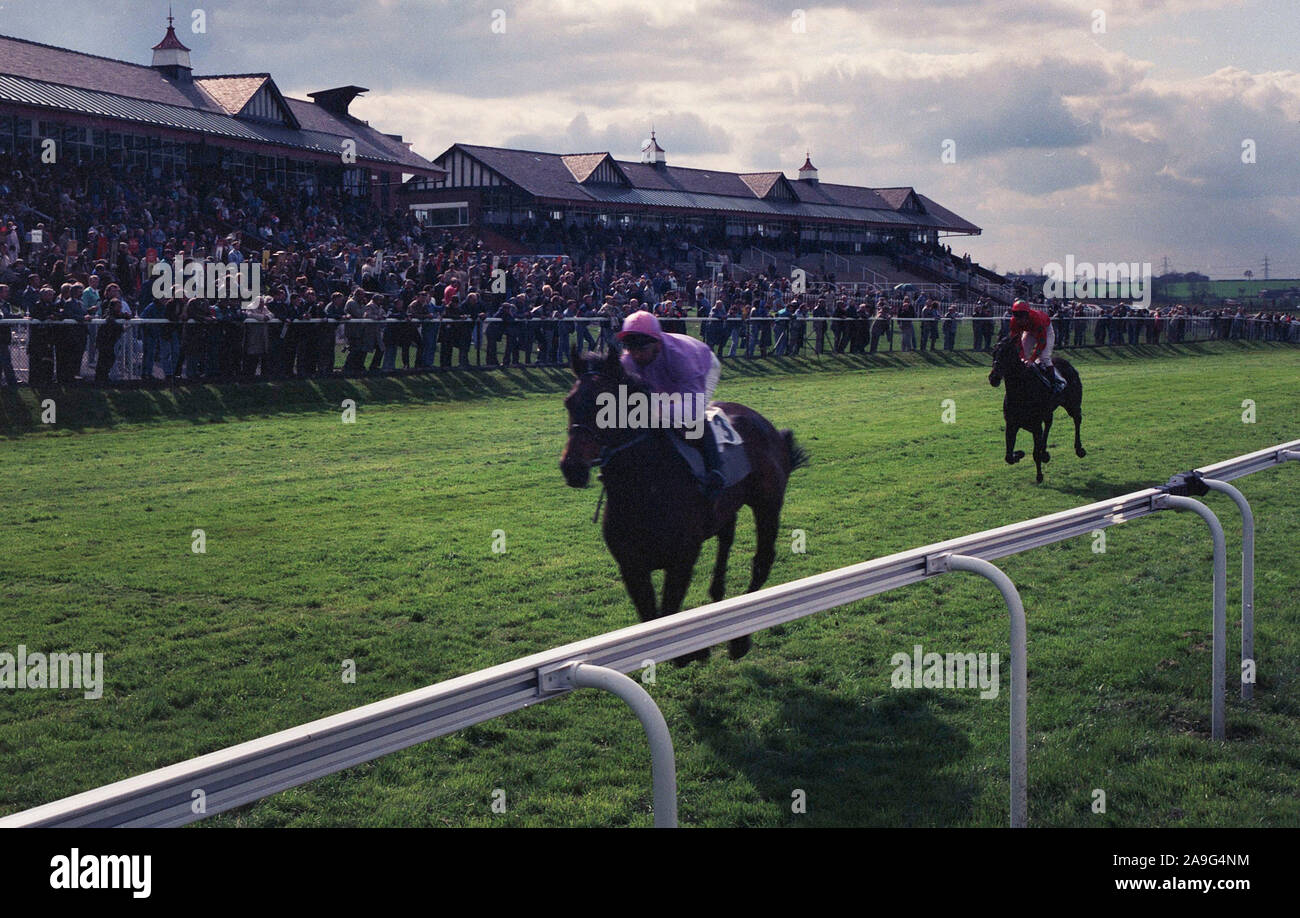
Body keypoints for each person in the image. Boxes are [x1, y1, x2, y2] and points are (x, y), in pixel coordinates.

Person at [616, 310, 726, 498]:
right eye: (631, 348)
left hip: (705, 365)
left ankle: (715, 470)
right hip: (667, 371)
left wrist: (655, 412)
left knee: (692, 420)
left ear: (657, 344)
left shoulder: (681, 358)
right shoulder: (628, 360)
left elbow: (694, 408)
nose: (637, 355)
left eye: (642, 349)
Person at [1009, 300, 1065, 393]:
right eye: (1017, 316)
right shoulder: (1013, 321)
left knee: (1044, 357)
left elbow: (1041, 343)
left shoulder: (1036, 319)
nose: (1020, 320)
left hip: (1046, 330)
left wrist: (1032, 359)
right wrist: (1023, 357)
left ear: (1027, 314)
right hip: (1030, 331)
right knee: (1021, 358)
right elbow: (1017, 342)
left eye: (1022, 316)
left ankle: (1056, 382)